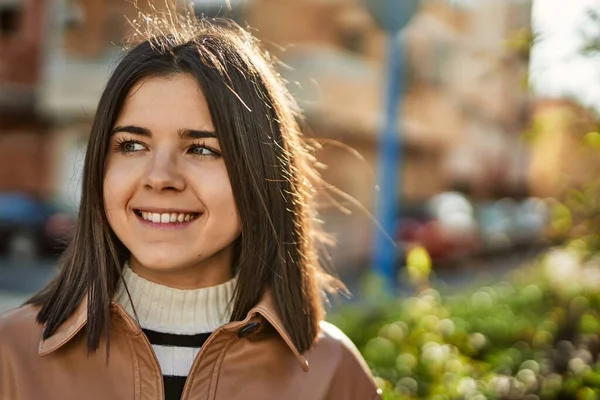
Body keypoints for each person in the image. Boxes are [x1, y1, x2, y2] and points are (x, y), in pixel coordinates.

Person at [0, 10, 381, 400]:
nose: (160, 177)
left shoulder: (332, 372)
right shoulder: (11, 356)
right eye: (132, 145)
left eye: (201, 148)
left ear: (260, 171)